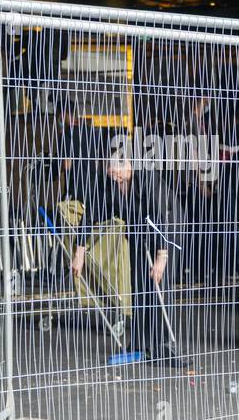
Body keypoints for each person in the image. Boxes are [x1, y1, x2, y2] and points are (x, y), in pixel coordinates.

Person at [70, 150, 182, 365]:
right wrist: (79, 253)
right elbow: (91, 213)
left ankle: (163, 345)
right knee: (139, 284)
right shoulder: (109, 184)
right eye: (111, 174)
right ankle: (141, 342)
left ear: (129, 165)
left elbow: (161, 216)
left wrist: (161, 258)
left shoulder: (147, 179)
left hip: (168, 231)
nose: (115, 179)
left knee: (158, 284)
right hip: (138, 233)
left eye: (118, 174)